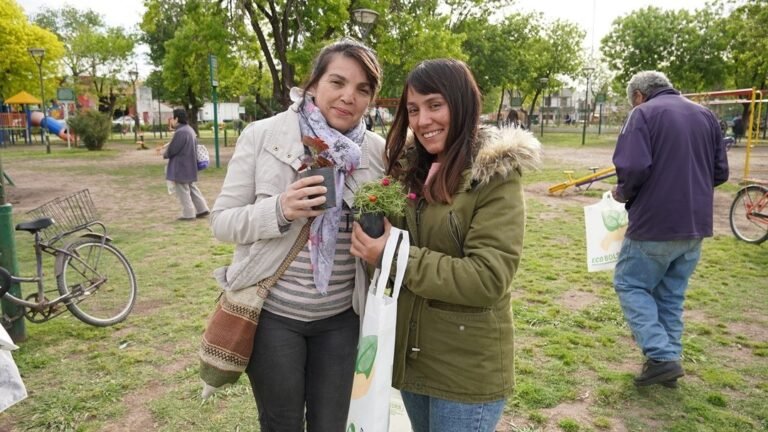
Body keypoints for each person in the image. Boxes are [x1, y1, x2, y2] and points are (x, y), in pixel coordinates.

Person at [350, 59, 541, 432]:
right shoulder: (410, 172)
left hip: (465, 371)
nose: (423, 121)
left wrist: (393, 256)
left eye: (435, 105)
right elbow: (389, 261)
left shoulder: (494, 176)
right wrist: (372, 245)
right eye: (413, 110)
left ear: (462, 103)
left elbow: (487, 278)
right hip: (413, 362)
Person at [209, 39, 384, 431]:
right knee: (281, 423)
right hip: (274, 316)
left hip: (342, 318)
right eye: (337, 82)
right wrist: (281, 209)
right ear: (313, 84)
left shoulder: (375, 151)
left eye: (362, 90)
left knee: (331, 424)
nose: (347, 97)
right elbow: (221, 220)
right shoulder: (263, 135)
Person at [611, 70, 729, 388]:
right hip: (695, 225)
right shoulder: (706, 116)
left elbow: (633, 167)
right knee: (671, 295)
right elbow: (720, 173)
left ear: (639, 95)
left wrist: (621, 193)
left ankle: (661, 356)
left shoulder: (642, 115)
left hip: (654, 223)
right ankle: (667, 362)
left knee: (631, 285)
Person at [164, 108, 209, 221]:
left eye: (173, 118)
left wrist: (165, 153)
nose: (172, 121)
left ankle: (188, 214)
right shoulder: (190, 130)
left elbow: (173, 149)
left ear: (177, 118)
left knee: (183, 190)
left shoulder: (180, 132)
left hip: (181, 166)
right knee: (192, 188)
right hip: (190, 164)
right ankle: (202, 209)